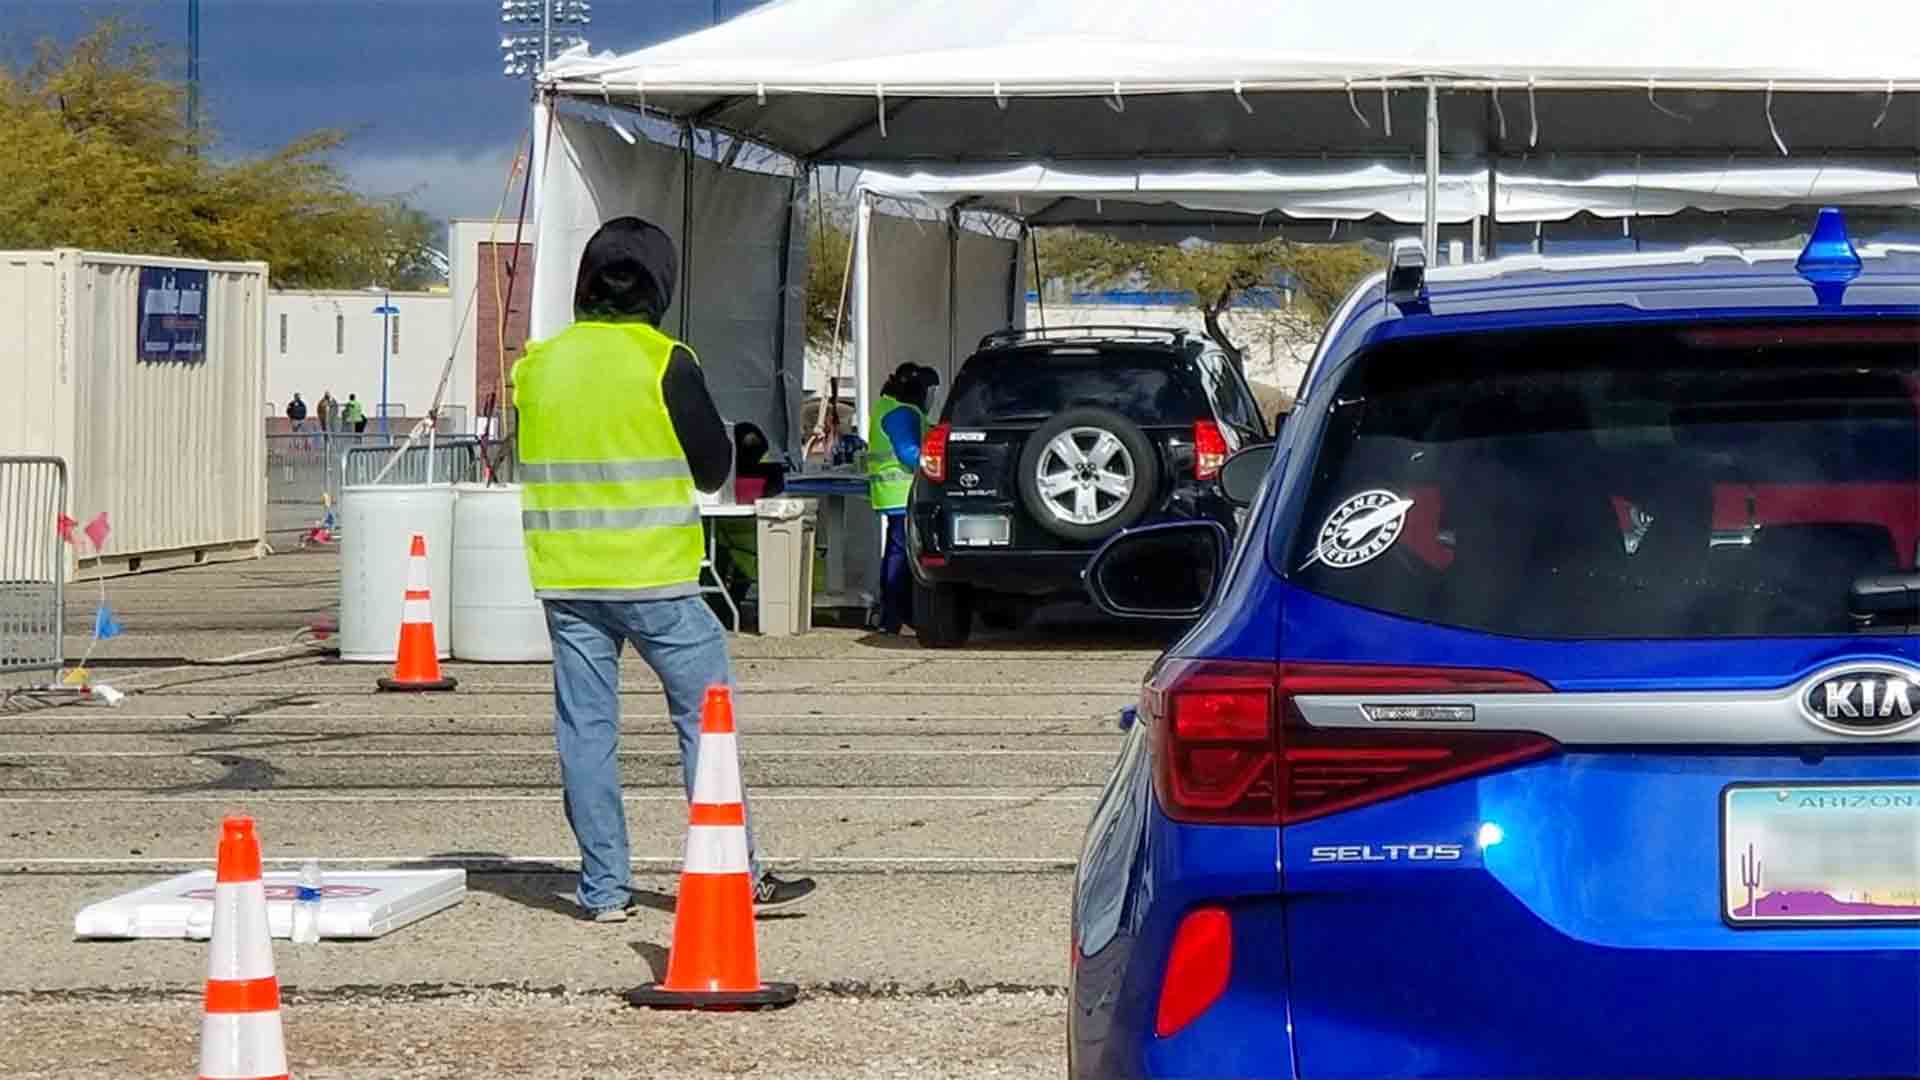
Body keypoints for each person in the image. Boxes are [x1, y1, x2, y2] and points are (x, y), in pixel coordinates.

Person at [512, 215, 816, 922]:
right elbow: (713, 467)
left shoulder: (538, 363)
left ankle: (603, 890)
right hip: (656, 578)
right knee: (704, 722)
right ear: (661, 287)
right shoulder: (665, 360)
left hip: (565, 576)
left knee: (587, 731)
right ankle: (737, 873)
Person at [867, 362, 940, 635]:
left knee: (896, 555)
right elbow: (909, 452)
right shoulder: (901, 413)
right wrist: (937, 461)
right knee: (901, 558)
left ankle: (894, 617)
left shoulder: (887, 406)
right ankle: (894, 617)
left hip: (890, 494)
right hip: (903, 493)